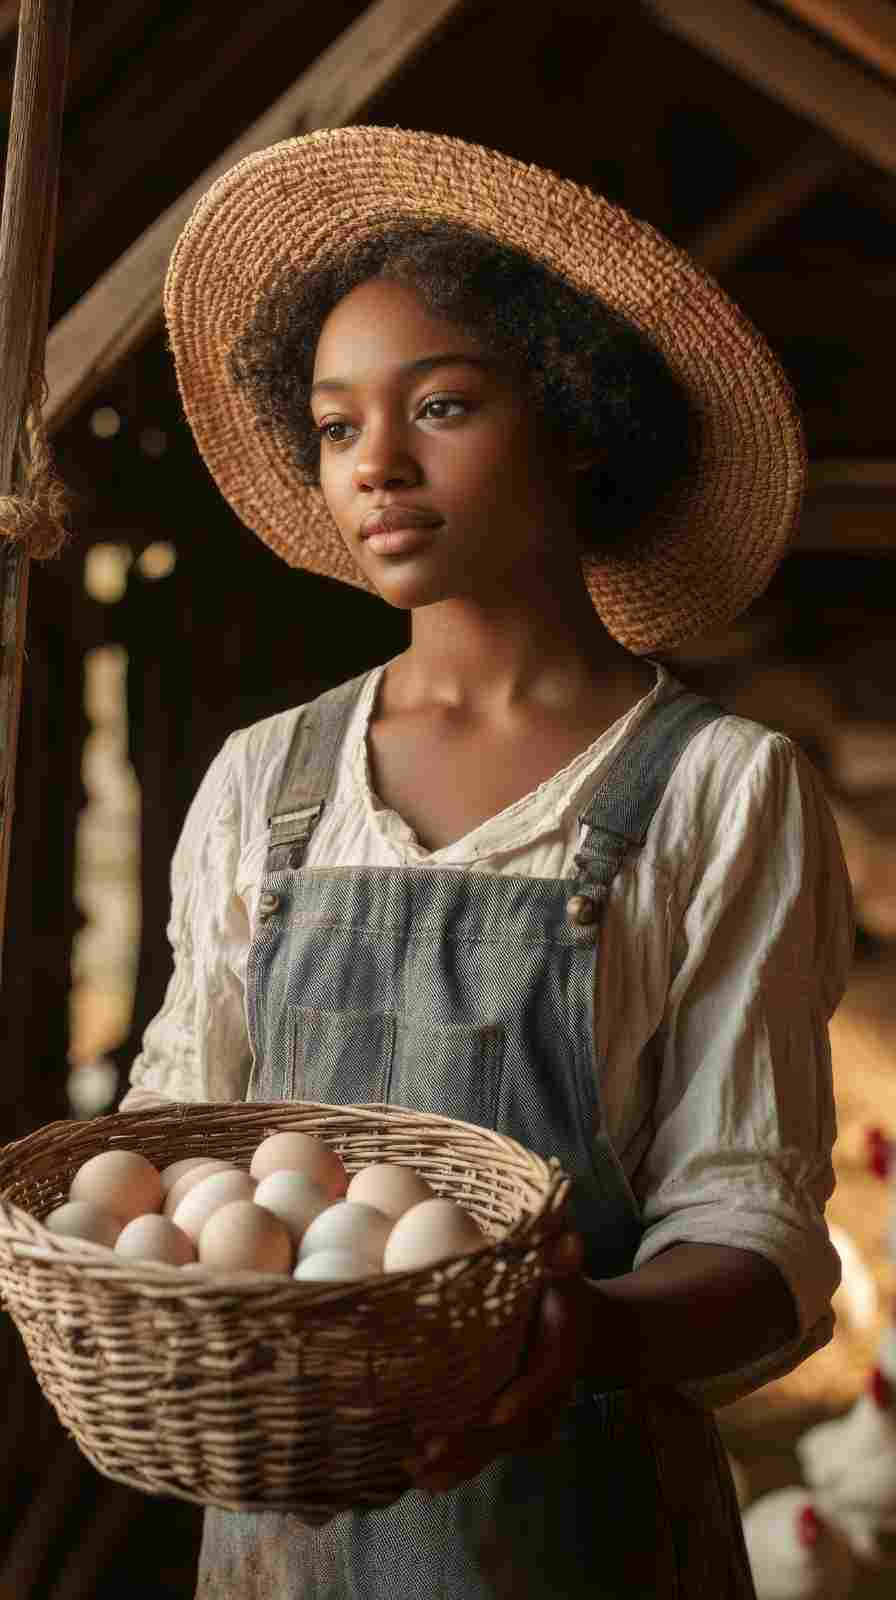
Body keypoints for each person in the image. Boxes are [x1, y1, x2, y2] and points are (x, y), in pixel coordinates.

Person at [123, 126, 854, 1596]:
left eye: (440, 405)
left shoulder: (719, 789)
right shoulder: (269, 783)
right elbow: (184, 1151)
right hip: (286, 1543)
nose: (377, 465)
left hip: (581, 1527)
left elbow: (754, 1225)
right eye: (336, 428)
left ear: (578, 417)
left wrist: (584, 1340)